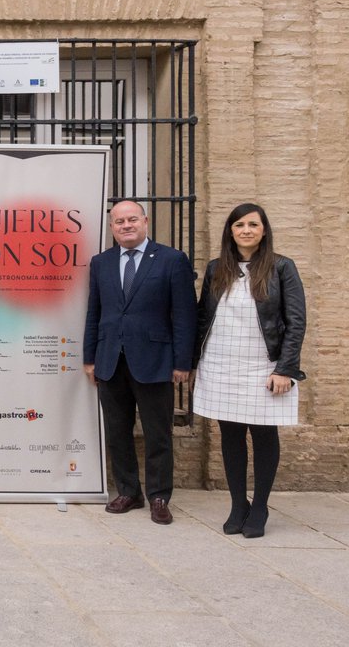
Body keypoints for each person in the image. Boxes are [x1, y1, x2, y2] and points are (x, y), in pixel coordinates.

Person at [193, 203, 306, 539]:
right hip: (221, 362)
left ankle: (260, 507)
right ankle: (237, 504)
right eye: (239, 224)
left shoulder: (282, 267)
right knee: (229, 435)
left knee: (263, 434)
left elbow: (296, 321)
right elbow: (203, 318)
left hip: (264, 365)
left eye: (253, 225)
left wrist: (285, 368)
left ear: (264, 230)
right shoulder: (217, 269)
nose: (246, 230)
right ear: (230, 231)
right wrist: (192, 362)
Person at [83, 200, 196, 525]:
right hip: (110, 361)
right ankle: (129, 491)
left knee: (157, 433)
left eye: (132, 219)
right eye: (119, 221)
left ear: (145, 222)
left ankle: (159, 496)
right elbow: (95, 312)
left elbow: (184, 315)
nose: (126, 225)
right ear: (112, 227)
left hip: (156, 361)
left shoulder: (171, 260)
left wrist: (182, 362)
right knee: (118, 431)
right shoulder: (101, 262)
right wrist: (90, 356)